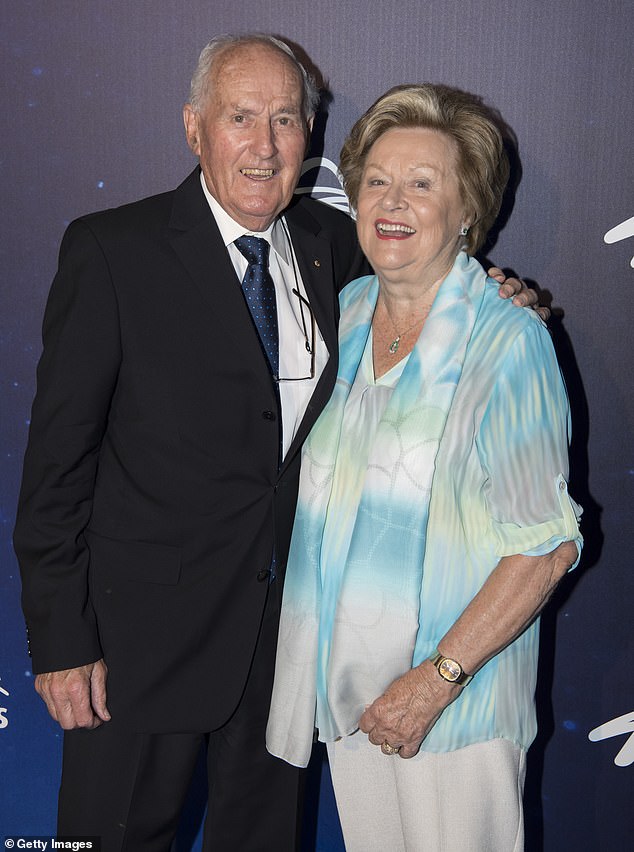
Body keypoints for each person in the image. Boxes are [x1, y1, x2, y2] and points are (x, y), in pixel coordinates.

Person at [14, 34, 538, 852]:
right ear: (195, 128)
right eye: (241, 117)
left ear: (310, 134)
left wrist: (498, 289)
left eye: (286, 120)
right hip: (141, 655)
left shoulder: (342, 245)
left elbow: (431, 285)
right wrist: (62, 641)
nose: (264, 146)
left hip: (288, 654)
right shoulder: (112, 252)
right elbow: (55, 471)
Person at [266, 83, 583, 851]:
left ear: (468, 208)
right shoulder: (339, 314)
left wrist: (436, 680)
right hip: (348, 696)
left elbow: (545, 547)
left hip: (452, 710)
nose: (391, 202)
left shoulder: (508, 344)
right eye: (376, 180)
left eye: (421, 184)